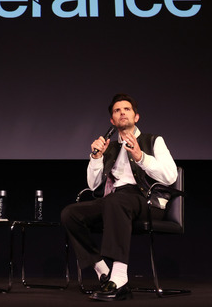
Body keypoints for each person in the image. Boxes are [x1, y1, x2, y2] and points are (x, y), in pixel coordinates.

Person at [61, 93, 178, 301]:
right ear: (112, 121)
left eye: (127, 109)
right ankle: (103, 271)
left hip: (147, 201)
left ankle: (120, 278)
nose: (122, 113)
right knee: (71, 213)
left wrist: (141, 157)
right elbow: (93, 185)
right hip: (115, 201)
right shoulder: (110, 148)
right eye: (117, 110)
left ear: (136, 116)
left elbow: (170, 176)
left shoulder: (153, 141)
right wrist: (96, 158)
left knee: (116, 201)